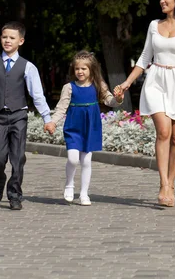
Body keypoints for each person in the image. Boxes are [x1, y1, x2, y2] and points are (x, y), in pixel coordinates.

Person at [114, 0, 175, 207]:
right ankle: (163, 183)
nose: (162, 1)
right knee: (163, 131)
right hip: (156, 80)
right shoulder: (154, 25)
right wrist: (126, 83)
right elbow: (144, 58)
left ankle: (171, 184)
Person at [0, 21, 53, 210]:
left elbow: (37, 95)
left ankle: (14, 194)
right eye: (4, 37)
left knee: (18, 157)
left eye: (12, 38)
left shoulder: (28, 67)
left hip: (19, 115)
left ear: (21, 41)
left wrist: (47, 118)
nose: (7, 41)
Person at [45, 51, 123, 206]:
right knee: (73, 159)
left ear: (91, 69)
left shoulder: (98, 85)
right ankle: (69, 185)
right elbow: (61, 108)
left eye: (84, 69)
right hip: (74, 126)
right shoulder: (69, 87)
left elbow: (109, 101)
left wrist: (118, 99)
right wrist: (52, 122)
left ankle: (84, 194)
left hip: (91, 126)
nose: (80, 72)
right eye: (77, 69)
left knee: (86, 161)